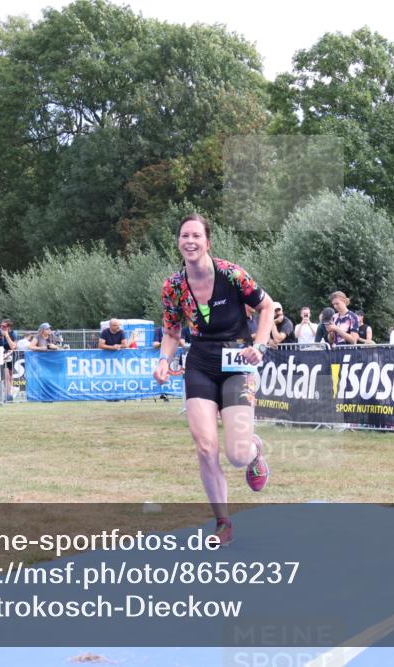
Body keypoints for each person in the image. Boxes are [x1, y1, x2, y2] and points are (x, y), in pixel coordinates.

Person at [153, 213, 273, 546]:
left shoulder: (232, 274)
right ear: (178, 242)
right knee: (206, 447)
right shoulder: (173, 286)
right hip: (200, 363)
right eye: (183, 236)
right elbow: (172, 330)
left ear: (207, 241)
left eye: (196, 235)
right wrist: (164, 360)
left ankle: (255, 450)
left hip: (237, 361)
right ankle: (222, 522)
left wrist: (260, 345)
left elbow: (266, 306)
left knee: (236, 454)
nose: (189, 241)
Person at [0, 318, 18, 400]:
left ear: (8, 327)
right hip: (1, 356)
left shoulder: (13, 334)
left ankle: (9, 394)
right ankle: (6, 396)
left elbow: (13, 347)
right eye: (1, 326)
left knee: (10, 377)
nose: (1, 328)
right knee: (5, 376)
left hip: (10, 356)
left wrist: (6, 335)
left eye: (4, 326)